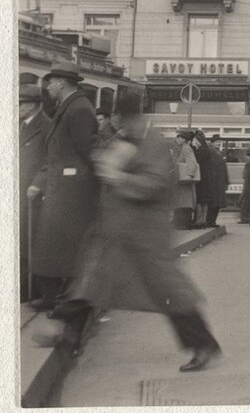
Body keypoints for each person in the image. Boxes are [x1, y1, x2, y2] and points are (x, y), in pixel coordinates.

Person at [34, 92, 222, 369]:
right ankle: (69, 338)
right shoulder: (126, 137)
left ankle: (203, 344)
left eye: (120, 118)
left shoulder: (152, 142)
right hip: (116, 228)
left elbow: (154, 183)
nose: (118, 123)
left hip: (146, 233)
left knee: (167, 290)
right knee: (90, 282)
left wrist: (118, 177)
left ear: (130, 116)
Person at [27, 62, 99, 312]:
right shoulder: (70, 106)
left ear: (61, 82)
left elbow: (88, 153)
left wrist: (80, 186)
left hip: (72, 193)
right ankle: (54, 298)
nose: (47, 87)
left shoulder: (78, 109)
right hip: (63, 190)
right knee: (53, 247)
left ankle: (66, 302)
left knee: (64, 249)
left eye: (50, 82)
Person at [19, 84, 47, 302]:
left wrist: (37, 183)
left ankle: (29, 290)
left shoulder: (46, 126)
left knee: (28, 240)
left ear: (34, 105)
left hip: (32, 195)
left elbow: (50, 160)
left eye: (22, 103)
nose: (18, 107)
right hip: (15, 191)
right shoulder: (19, 124)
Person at [172, 129, 199, 229]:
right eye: (177, 138)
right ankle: (181, 223)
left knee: (184, 203)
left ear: (184, 139)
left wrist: (190, 175)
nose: (177, 139)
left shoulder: (186, 148)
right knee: (181, 202)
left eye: (180, 138)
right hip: (181, 180)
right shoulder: (181, 148)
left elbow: (192, 162)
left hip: (185, 180)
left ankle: (184, 224)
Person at [204, 136, 230, 228]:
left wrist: (226, 181)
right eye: (216, 141)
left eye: (219, 141)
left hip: (219, 181)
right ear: (212, 143)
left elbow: (224, 168)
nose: (218, 143)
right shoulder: (209, 152)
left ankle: (212, 221)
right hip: (213, 181)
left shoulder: (220, 153)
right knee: (213, 202)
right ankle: (210, 221)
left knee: (218, 203)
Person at [191, 130, 213, 228]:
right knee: (205, 201)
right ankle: (204, 220)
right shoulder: (207, 149)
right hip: (207, 178)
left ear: (197, 140)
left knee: (199, 200)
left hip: (201, 177)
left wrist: (193, 148)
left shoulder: (200, 150)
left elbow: (196, 161)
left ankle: (198, 221)